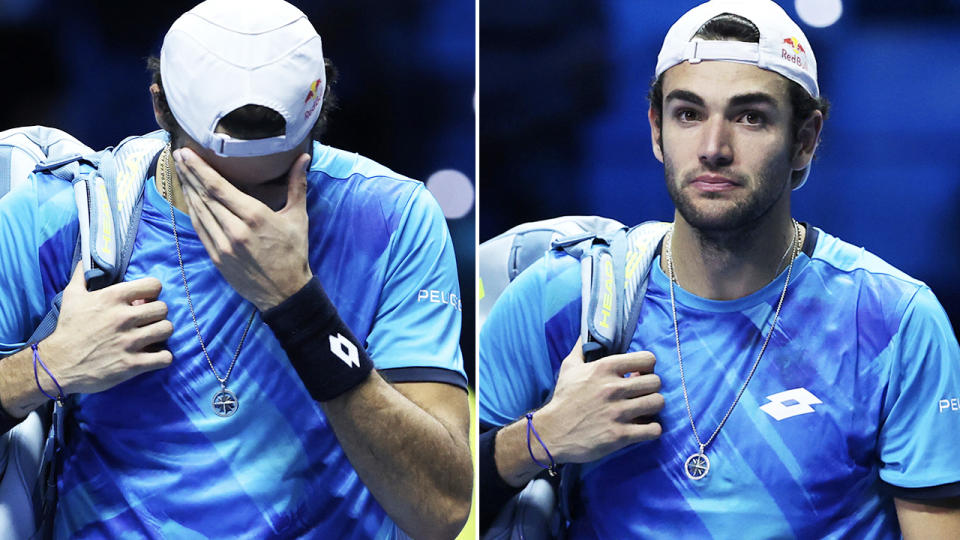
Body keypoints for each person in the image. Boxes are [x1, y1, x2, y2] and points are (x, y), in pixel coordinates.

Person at [478, 0, 960, 537]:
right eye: (688, 114)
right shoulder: (563, 299)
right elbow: (429, 501)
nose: (713, 148)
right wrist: (540, 438)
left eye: (750, 116)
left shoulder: (893, 321)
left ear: (805, 139)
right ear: (657, 132)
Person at [0, 0, 471, 538]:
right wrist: (41, 369)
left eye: (274, 188)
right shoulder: (57, 216)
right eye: (210, 184)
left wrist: (300, 307)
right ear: (160, 108)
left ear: (319, 116)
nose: (244, 216)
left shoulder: (392, 218)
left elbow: (441, 510)